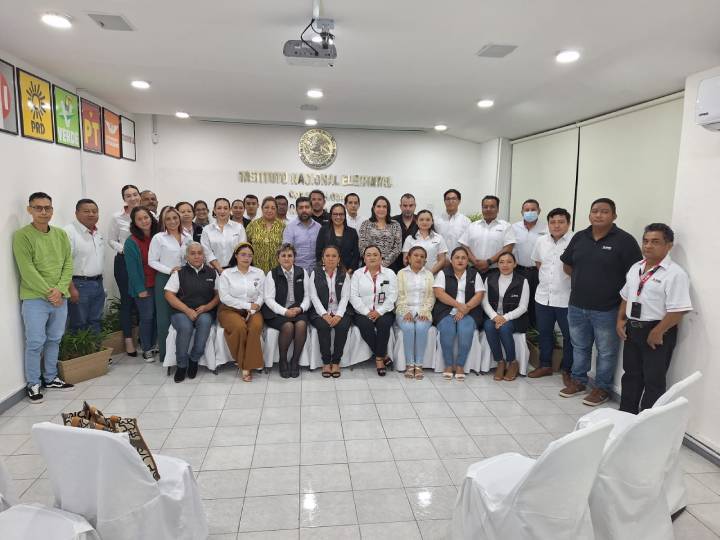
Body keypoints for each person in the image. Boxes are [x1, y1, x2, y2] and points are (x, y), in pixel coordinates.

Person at [559, 198, 642, 406]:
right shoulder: (580, 237)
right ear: (589, 215)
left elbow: (634, 276)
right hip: (577, 305)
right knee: (579, 346)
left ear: (614, 216)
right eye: (595, 211)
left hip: (608, 308)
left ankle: (602, 388)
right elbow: (568, 265)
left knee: (606, 351)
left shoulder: (624, 241)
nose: (598, 215)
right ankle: (578, 381)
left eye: (604, 211)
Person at [617, 223, 692, 414]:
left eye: (655, 242)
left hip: (658, 331)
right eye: (646, 241)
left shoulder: (675, 274)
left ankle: (647, 422)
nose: (648, 246)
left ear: (668, 246)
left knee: (654, 380)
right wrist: (620, 320)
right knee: (631, 375)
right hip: (633, 329)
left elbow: (678, 310)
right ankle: (626, 415)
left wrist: (658, 331)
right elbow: (626, 296)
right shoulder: (636, 268)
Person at [13, 192, 74, 402]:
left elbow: (68, 263)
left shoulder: (60, 234)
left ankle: (51, 377)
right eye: (38, 208)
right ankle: (33, 383)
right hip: (34, 298)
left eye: (47, 208)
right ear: (29, 210)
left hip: (60, 296)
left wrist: (59, 290)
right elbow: (27, 270)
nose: (43, 212)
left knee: (55, 339)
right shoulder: (22, 236)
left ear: (52, 210)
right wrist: (51, 292)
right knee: (35, 341)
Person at [528, 208, 574, 381]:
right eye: (553, 222)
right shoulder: (541, 241)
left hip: (566, 298)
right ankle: (545, 365)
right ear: (548, 224)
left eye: (561, 222)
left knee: (570, 336)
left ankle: (568, 370)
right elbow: (539, 263)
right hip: (543, 296)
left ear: (568, 224)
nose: (556, 225)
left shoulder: (575, 241)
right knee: (545, 333)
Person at [164, 242, 219, 382]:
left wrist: (207, 307)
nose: (196, 256)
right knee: (185, 327)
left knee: (205, 321)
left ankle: (194, 359)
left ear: (204, 256)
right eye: (192, 253)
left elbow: (219, 295)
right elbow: (169, 295)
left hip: (205, 311)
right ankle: (182, 365)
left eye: (199, 253)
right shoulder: (179, 273)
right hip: (181, 312)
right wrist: (187, 311)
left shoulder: (212, 272)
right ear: (186, 256)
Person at [433, 247, 485, 380]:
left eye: (463, 258)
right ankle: (449, 365)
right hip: (446, 310)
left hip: (471, 310)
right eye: (457, 257)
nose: (460, 260)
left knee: (465, 330)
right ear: (451, 260)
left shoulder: (474, 274)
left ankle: (460, 365)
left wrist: (466, 308)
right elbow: (439, 293)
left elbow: (479, 295)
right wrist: (459, 306)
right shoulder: (443, 273)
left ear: (468, 260)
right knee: (447, 330)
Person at [217, 242, 265, 382]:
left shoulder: (259, 273)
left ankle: (246, 364)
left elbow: (262, 294)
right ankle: (246, 366)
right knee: (239, 327)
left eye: (250, 256)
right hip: (229, 310)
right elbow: (224, 297)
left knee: (255, 327)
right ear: (236, 256)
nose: (246, 258)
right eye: (243, 254)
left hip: (254, 309)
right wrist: (247, 306)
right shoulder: (226, 274)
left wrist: (256, 305)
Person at [149, 207, 191, 364]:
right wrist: (170, 270)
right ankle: (166, 356)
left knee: (184, 316)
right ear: (163, 221)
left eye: (175, 218)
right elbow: (151, 261)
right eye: (168, 219)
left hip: (185, 280)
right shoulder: (159, 238)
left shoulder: (187, 236)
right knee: (164, 317)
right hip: (165, 279)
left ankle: (183, 353)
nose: (172, 221)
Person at [262, 244, 311, 378]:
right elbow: (268, 299)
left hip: (297, 310)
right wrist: (284, 312)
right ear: (278, 258)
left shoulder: (303, 272)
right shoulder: (272, 274)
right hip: (277, 312)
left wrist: (301, 308)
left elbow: (308, 296)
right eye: (283, 255)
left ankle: (295, 361)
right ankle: (283, 361)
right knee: (288, 326)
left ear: (294, 258)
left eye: (290, 255)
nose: (286, 258)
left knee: (301, 325)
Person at [482, 253, 530, 381]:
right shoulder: (489, 279)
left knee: (504, 328)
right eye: (501, 262)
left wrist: (505, 318)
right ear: (497, 264)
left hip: (515, 318)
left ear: (515, 264)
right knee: (488, 326)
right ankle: (500, 362)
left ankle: (512, 362)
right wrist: (495, 317)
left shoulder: (522, 281)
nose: (505, 265)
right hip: (494, 316)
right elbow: (484, 302)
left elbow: (523, 307)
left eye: (509, 262)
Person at [351, 245, 398, 376]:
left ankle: (378, 359)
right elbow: (353, 297)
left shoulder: (390, 273)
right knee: (365, 325)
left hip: (384, 311)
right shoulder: (357, 274)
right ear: (364, 258)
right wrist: (367, 312)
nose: (372, 257)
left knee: (384, 324)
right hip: (362, 312)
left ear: (381, 257)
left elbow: (393, 295)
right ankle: (383, 356)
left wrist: (379, 312)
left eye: (375, 254)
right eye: (368, 255)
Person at [109, 184, 143, 356]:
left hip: (144, 264)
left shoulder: (148, 215)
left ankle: (145, 339)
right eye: (128, 195)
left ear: (139, 195)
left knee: (143, 301)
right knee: (128, 301)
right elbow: (111, 240)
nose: (132, 198)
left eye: (135, 194)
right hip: (124, 262)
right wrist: (125, 250)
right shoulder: (117, 217)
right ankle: (129, 341)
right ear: (124, 199)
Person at [310, 245, 353, 378]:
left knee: (342, 327)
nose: (330, 259)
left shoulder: (344, 274)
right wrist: (324, 314)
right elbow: (313, 296)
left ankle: (336, 362)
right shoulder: (315, 273)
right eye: (327, 256)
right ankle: (325, 362)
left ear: (339, 259)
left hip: (340, 310)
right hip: (320, 311)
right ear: (322, 258)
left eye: (334, 256)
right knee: (323, 327)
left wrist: (339, 315)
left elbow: (346, 296)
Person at [64, 198, 106, 334]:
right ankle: (82, 355)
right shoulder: (69, 232)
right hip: (79, 285)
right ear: (76, 213)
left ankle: (96, 354)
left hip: (97, 283)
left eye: (94, 211)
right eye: (86, 211)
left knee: (96, 320)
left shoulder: (97, 232)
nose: (91, 214)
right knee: (78, 324)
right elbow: (64, 263)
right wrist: (71, 288)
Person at [124, 206, 159, 361]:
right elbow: (132, 270)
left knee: (158, 316)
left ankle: (155, 344)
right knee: (147, 317)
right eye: (139, 219)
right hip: (143, 285)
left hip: (159, 283)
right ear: (134, 222)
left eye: (146, 217)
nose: (144, 221)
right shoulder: (131, 242)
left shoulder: (158, 236)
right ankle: (146, 348)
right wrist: (140, 289)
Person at [396, 246, 435, 380]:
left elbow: (431, 296)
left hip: (424, 310)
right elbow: (399, 294)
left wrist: (424, 311)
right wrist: (405, 311)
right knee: (408, 327)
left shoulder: (429, 274)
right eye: (416, 255)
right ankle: (409, 364)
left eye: (422, 256)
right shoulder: (401, 273)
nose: (419, 258)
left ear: (425, 260)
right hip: (404, 309)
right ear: (409, 258)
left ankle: (418, 364)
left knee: (420, 327)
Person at [459, 195, 515, 276]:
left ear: (498, 209)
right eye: (485, 207)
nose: (488, 209)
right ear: (482, 208)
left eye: (492, 207)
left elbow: (508, 247)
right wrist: (475, 262)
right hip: (474, 269)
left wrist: (489, 262)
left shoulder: (506, 226)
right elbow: (464, 245)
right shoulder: (472, 226)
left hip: (497, 271)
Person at [512, 199, 547, 327]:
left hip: (538, 272)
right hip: (519, 271)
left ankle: (535, 332)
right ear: (522, 212)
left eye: (533, 209)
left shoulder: (546, 228)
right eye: (527, 210)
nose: (530, 212)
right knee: (520, 301)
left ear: (539, 211)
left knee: (535, 303)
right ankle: (521, 331)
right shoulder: (514, 227)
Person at [201, 197, 248, 273]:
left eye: (225, 208)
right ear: (214, 210)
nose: (222, 211)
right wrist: (219, 269)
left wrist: (231, 269)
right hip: (213, 271)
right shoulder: (207, 229)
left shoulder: (239, 228)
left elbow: (242, 249)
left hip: (235, 270)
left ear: (230, 210)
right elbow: (207, 252)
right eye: (219, 208)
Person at [315, 203, 360, 272]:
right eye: (335, 214)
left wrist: (350, 270)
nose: (338, 217)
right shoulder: (323, 230)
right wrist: (325, 270)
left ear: (345, 216)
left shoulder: (352, 232)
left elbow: (356, 254)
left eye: (341, 214)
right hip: (327, 272)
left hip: (348, 272)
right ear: (331, 216)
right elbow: (319, 253)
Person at [358, 196, 402, 268]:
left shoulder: (395, 224)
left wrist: (383, 264)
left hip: (389, 266)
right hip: (369, 265)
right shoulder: (365, 224)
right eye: (378, 206)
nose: (381, 209)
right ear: (374, 208)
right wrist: (372, 262)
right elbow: (362, 246)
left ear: (388, 209)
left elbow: (397, 248)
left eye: (384, 207)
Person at [245, 196, 286, 272]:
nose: (269, 210)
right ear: (261, 208)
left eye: (273, 208)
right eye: (266, 207)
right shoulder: (252, 225)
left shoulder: (283, 226)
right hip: (256, 270)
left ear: (276, 210)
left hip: (277, 271)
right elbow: (245, 246)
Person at [282, 196, 322, 273]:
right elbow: (286, 252)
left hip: (316, 271)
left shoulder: (318, 227)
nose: (304, 210)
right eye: (301, 208)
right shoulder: (290, 228)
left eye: (307, 207)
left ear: (311, 209)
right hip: (297, 271)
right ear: (296, 210)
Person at [402, 209, 448, 274]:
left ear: (432, 222)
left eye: (428, 220)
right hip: (413, 276)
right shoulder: (409, 239)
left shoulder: (439, 238)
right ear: (417, 222)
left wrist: (430, 274)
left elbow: (442, 260)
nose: (424, 222)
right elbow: (406, 260)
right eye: (421, 220)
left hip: (433, 276)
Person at [435, 189, 471, 254]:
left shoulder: (466, 221)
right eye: (448, 199)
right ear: (444, 201)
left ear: (459, 201)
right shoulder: (436, 220)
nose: (450, 201)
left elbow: (467, 243)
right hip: (441, 260)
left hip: (459, 261)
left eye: (454, 199)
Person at [391, 193, 418, 271]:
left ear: (415, 206)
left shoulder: (421, 221)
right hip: (394, 264)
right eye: (405, 205)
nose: (408, 208)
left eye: (411, 205)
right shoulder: (392, 221)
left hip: (415, 264)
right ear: (400, 206)